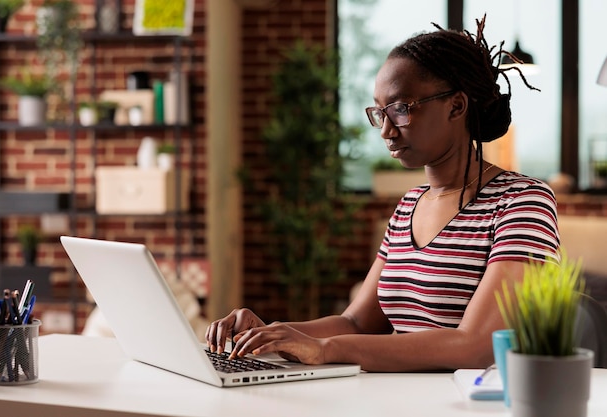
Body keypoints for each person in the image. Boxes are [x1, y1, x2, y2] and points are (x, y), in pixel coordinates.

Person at [205, 15, 560, 372]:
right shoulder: (410, 205)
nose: (386, 130)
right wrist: (268, 334)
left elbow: (477, 346)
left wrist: (325, 350)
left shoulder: (521, 203)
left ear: (456, 105)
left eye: (401, 109)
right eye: (380, 112)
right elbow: (357, 323)